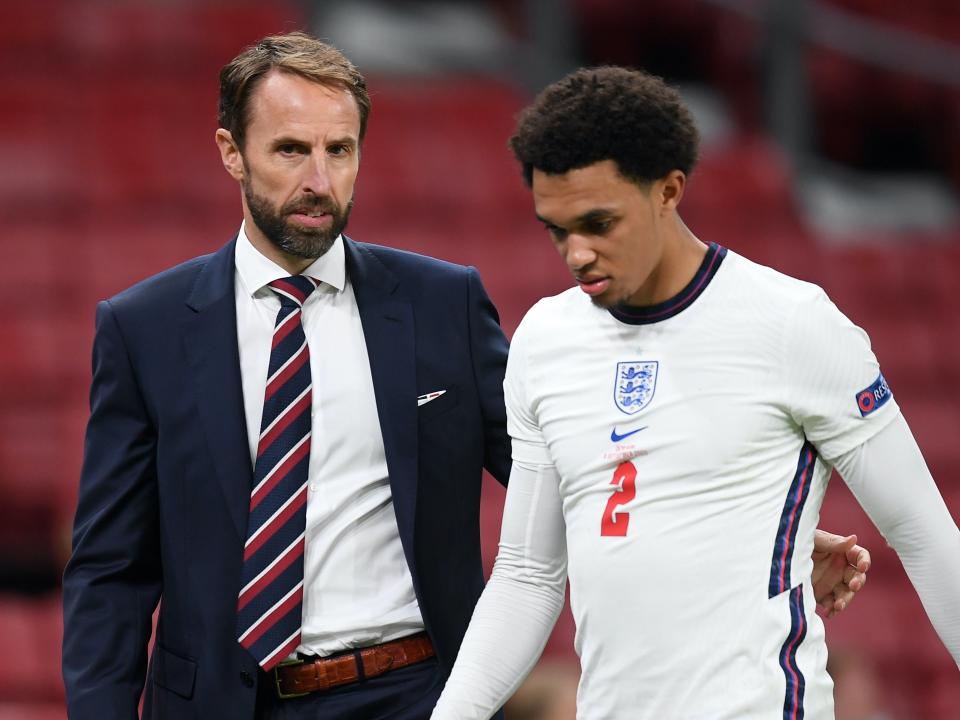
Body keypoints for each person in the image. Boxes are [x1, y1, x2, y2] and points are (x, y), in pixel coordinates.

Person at [60, 34, 868, 720]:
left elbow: (573, 470)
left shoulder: (442, 303)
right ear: (231, 152)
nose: (319, 179)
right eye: (291, 150)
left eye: (339, 151)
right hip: (220, 703)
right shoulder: (144, 328)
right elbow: (111, 570)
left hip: (413, 693)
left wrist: (747, 524)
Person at [430, 67, 960, 719]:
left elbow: (922, 534)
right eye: (557, 228)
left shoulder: (794, 323)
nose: (577, 253)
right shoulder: (544, 338)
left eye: (600, 222)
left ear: (669, 191)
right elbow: (528, 576)